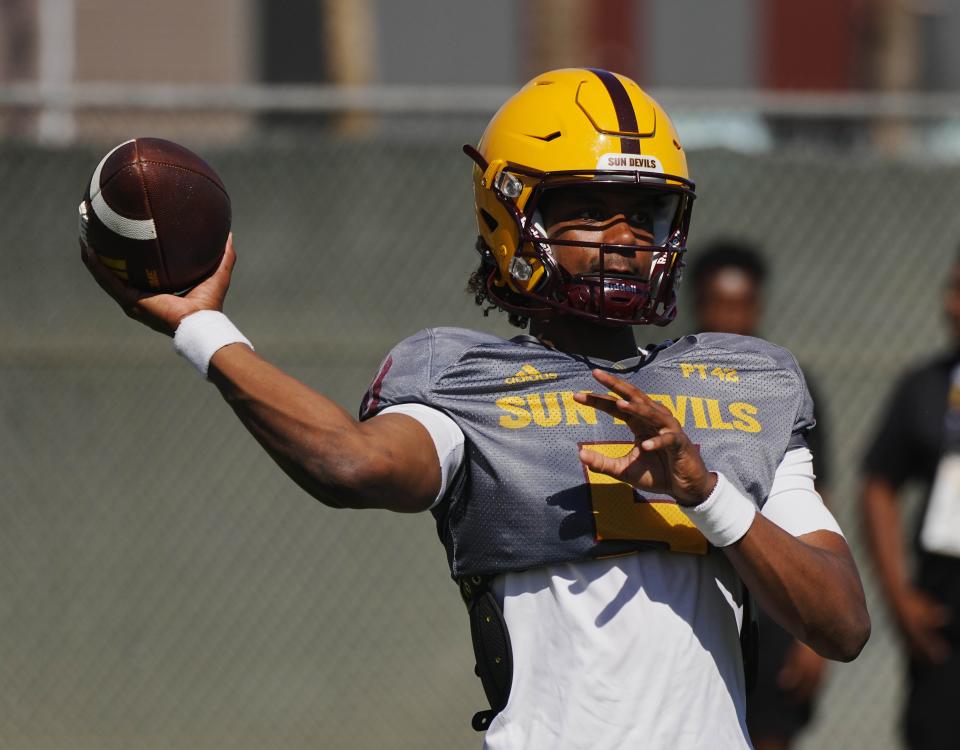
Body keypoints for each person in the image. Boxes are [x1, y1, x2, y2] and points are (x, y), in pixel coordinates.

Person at [81, 68, 869, 749]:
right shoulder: (465, 376)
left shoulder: (744, 382)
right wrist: (203, 329)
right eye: (592, 208)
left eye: (646, 211)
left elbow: (841, 624)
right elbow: (349, 463)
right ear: (514, 215)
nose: (627, 238)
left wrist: (707, 493)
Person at [689, 241, 832, 750]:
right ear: (696, 304)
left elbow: (817, 505)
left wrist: (812, 633)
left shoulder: (784, 388)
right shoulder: (665, 382)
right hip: (693, 598)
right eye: (718, 303)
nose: (730, 318)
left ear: (759, 306)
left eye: (742, 303)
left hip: (771, 600)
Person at [861, 258, 960, 750]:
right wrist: (899, 597)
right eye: (954, 290)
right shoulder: (926, 386)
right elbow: (879, 485)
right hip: (944, 608)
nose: (952, 305)